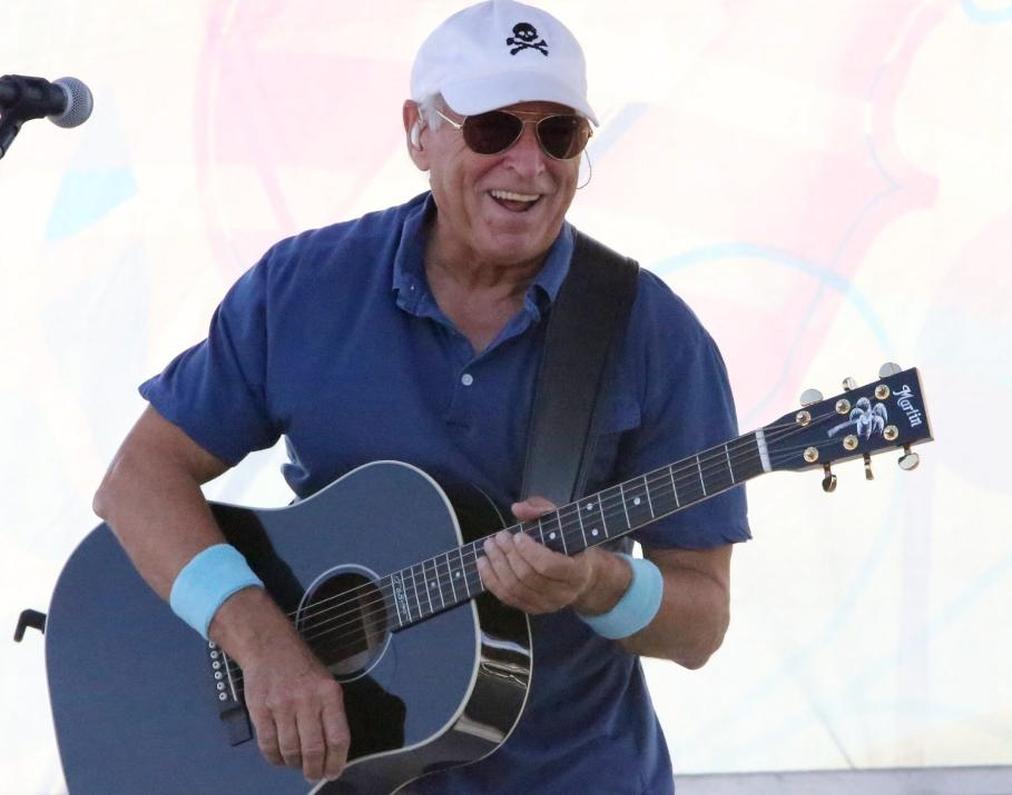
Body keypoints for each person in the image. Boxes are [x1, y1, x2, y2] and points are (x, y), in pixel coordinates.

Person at [92, 1, 750, 792]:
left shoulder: (653, 332)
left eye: (558, 133)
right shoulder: (305, 287)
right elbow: (137, 479)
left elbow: (700, 621)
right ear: (418, 131)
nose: (529, 164)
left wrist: (599, 583)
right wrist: (262, 644)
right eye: (493, 128)